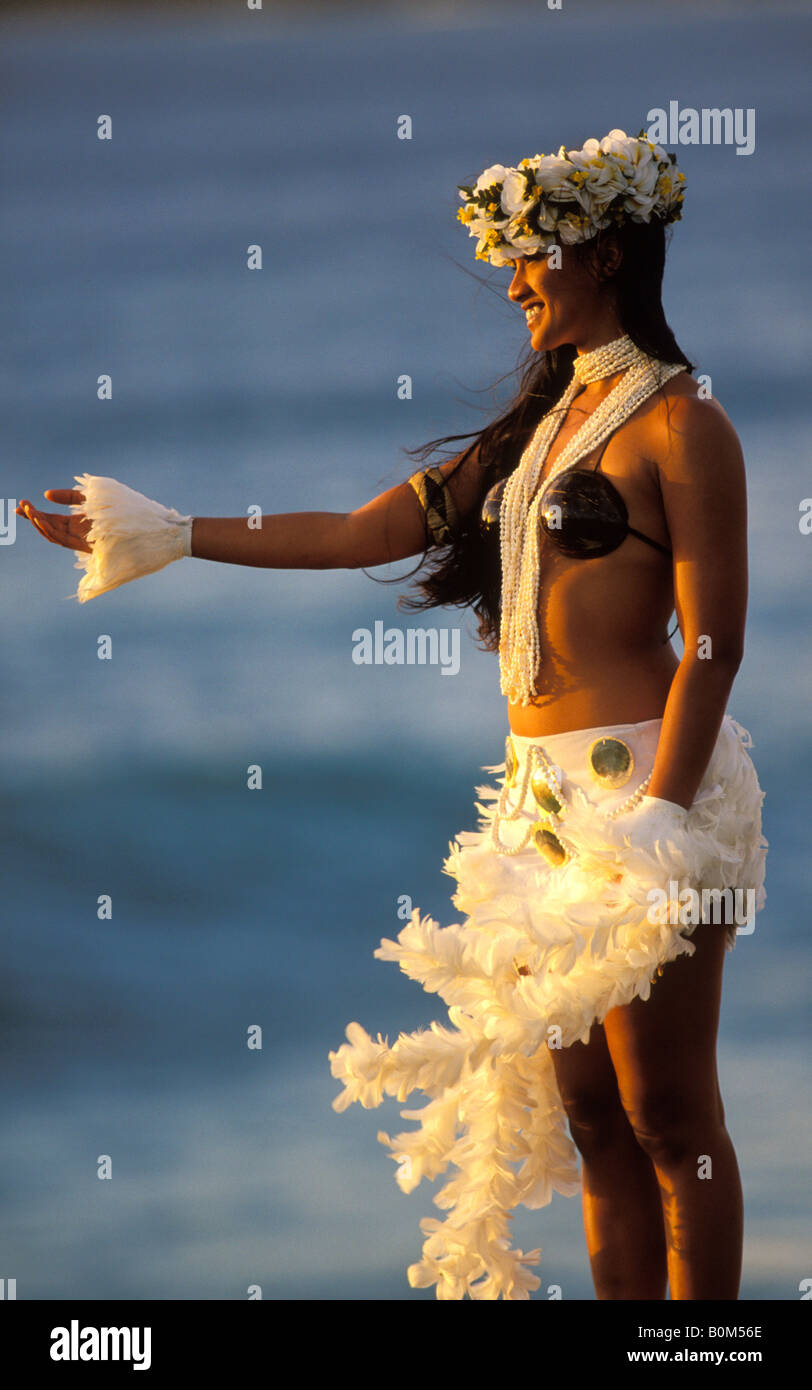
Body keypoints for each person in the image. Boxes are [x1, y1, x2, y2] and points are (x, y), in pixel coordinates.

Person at [17, 127, 767, 1303]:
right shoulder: (534, 431)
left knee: (670, 1112)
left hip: (647, 795)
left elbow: (714, 645)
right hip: (539, 813)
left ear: (606, 253)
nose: (514, 282)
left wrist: (663, 818)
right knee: (590, 1121)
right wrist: (169, 531)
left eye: (533, 258)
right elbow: (367, 533)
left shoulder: (683, 426)